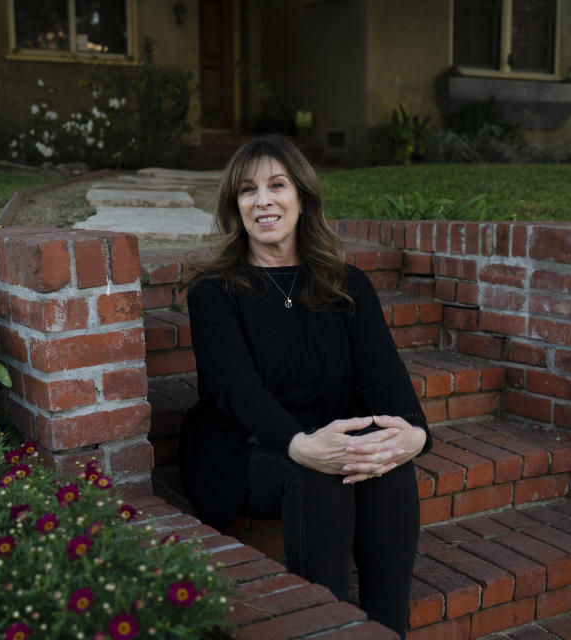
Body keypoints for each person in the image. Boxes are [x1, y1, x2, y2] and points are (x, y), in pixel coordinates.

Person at [179, 134, 431, 636]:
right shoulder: (215, 291)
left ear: (303, 197)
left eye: (277, 185)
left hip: (326, 437)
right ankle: (327, 627)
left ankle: (387, 630)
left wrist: (414, 436)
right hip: (244, 449)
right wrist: (301, 445)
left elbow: (384, 376)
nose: (263, 200)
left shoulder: (346, 285)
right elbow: (236, 390)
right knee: (324, 473)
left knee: (387, 465)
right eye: (248, 191)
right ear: (236, 206)